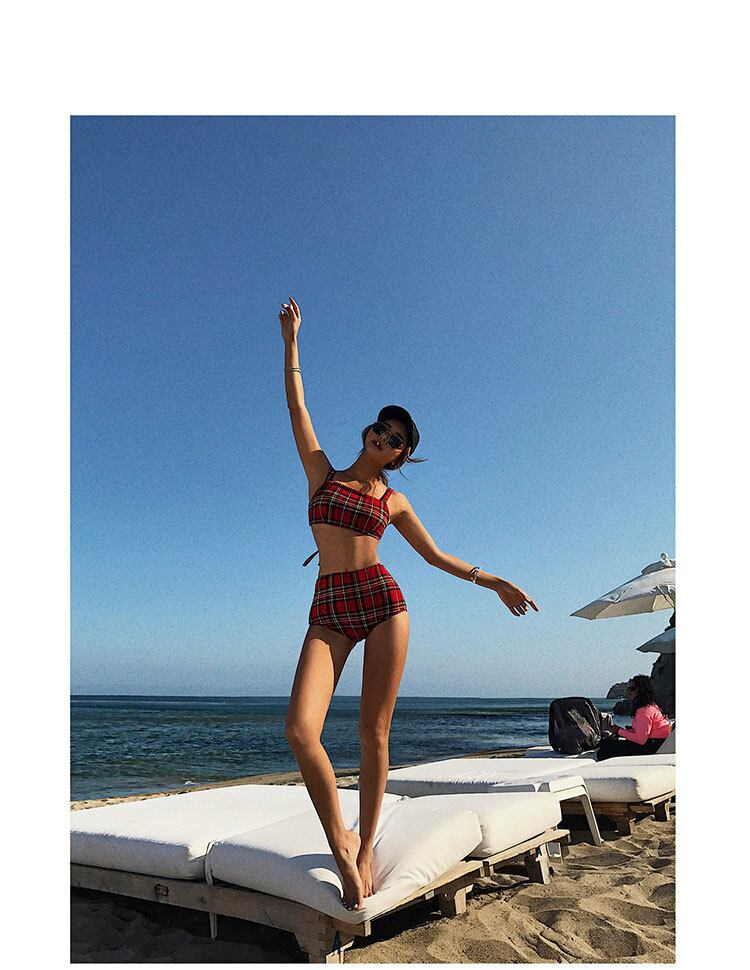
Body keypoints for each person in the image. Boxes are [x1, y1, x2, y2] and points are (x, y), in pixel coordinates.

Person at [278, 297, 539, 911]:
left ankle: (367, 847)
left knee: (373, 732)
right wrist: (291, 343)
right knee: (300, 730)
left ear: (399, 456)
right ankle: (340, 841)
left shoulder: (393, 501)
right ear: (368, 432)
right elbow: (297, 409)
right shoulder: (322, 474)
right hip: (328, 607)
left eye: (396, 440)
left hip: (381, 602)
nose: (385, 437)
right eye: (382, 428)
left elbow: (435, 555)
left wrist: (494, 581)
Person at [596, 675, 671, 761]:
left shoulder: (645, 711)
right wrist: (625, 731)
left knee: (604, 751)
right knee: (607, 743)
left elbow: (640, 740)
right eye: (629, 688)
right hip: (654, 744)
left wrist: (619, 731)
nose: (628, 691)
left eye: (632, 688)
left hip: (650, 747)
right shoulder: (652, 707)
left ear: (641, 691)